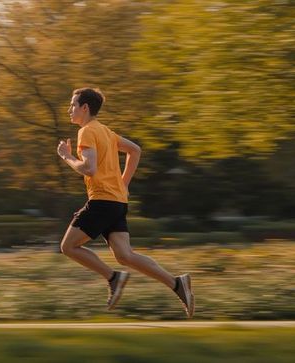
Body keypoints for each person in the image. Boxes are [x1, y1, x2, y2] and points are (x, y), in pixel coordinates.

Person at [56, 87, 194, 318]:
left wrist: (67, 157)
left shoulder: (87, 132)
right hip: (116, 201)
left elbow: (89, 168)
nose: (69, 109)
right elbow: (135, 150)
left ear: (85, 108)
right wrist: (124, 184)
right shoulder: (106, 132)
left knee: (68, 247)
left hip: (101, 201)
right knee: (125, 255)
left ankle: (113, 277)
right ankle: (178, 284)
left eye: (72, 105)